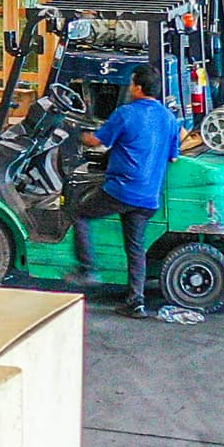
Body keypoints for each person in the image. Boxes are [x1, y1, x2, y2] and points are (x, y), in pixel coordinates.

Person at [76, 64, 195, 322]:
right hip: (148, 197)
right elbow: (173, 157)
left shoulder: (125, 113)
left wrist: (77, 133)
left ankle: (87, 269)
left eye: (131, 84)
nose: (129, 88)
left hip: (121, 191)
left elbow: (98, 141)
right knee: (136, 248)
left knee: (81, 213)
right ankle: (135, 302)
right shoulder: (168, 119)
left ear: (139, 88)